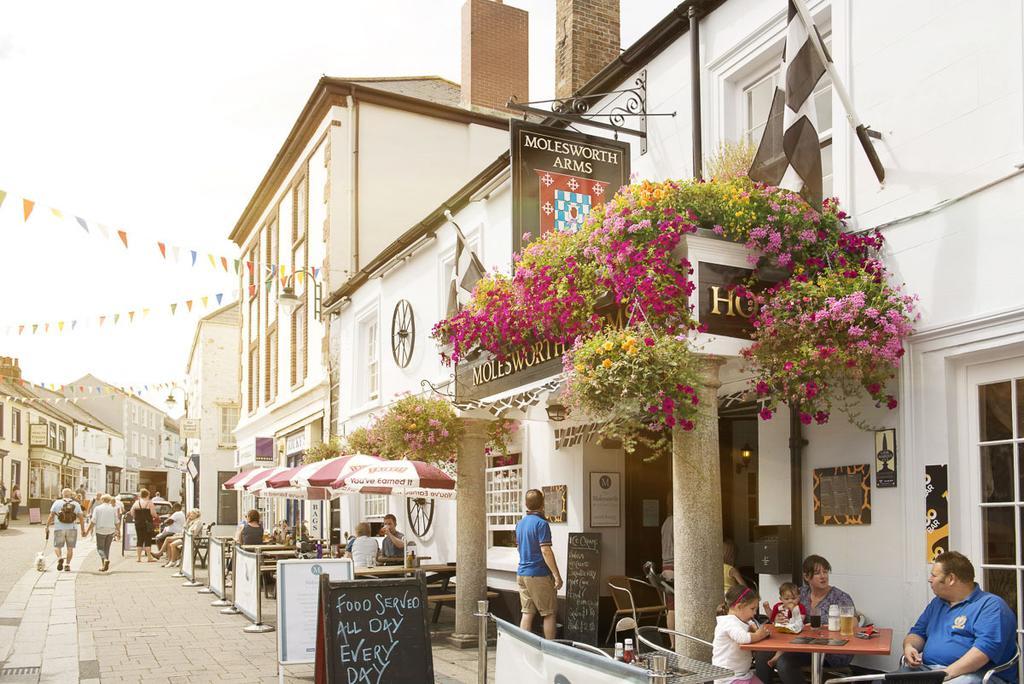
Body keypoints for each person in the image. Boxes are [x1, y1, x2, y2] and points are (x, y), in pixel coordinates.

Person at [902, 551, 1017, 684]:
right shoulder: (937, 603)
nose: (930, 579)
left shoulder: (991, 606)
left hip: (974, 674)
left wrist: (944, 675)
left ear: (951, 579)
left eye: (934, 575)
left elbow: (982, 653)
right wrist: (910, 647)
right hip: (930, 671)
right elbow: (917, 633)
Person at [754, 555, 856, 684]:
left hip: (830, 650)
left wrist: (830, 626)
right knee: (763, 654)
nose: (823, 576)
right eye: (818, 573)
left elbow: (854, 623)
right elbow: (783, 611)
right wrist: (780, 618)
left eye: (825, 572)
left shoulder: (840, 597)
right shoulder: (799, 593)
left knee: (785, 662)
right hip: (799, 645)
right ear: (807, 577)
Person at [515, 489, 562, 640]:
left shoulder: (520, 524)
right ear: (542, 504)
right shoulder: (542, 524)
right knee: (549, 613)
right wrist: (556, 575)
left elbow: (518, 547)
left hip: (522, 573)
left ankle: (524, 647)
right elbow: (546, 550)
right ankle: (551, 650)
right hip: (539, 574)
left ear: (526, 504)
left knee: (527, 612)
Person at [714, 585, 771, 684]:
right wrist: (758, 635)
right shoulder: (729, 622)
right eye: (752, 609)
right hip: (728, 677)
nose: (754, 613)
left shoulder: (740, 620)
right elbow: (743, 638)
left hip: (742, 674)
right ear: (739, 607)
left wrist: (753, 630)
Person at [761, 583, 805, 669]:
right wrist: (767, 608)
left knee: (786, 645)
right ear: (781, 599)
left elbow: (800, 620)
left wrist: (793, 610)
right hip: (779, 632)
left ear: (799, 598)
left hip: (793, 633)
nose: (790, 601)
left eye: (793, 598)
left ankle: (776, 658)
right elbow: (772, 619)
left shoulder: (799, 607)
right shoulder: (778, 607)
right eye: (787, 599)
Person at [45, 488, 87, 572]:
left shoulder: (57, 503)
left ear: (62, 494)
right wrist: (83, 530)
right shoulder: (76, 504)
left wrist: (47, 526)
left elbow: (51, 515)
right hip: (72, 528)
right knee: (70, 548)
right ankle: (67, 564)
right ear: (71, 495)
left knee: (57, 546)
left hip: (59, 528)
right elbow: (81, 518)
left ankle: (60, 558)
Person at [85, 494, 119, 572]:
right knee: (107, 548)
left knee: (100, 548)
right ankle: (104, 565)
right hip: (110, 530)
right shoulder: (112, 509)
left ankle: (105, 560)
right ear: (110, 500)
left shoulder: (97, 508)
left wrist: (87, 532)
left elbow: (93, 521)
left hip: (100, 530)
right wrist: (118, 530)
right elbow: (116, 521)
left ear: (102, 500)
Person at [130, 488, 159, 563]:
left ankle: (138, 558)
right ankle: (149, 557)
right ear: (148, 495)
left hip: (138, 523)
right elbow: (153, 513)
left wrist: (136, 518)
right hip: (147, 523)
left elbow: (132, 512)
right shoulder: (149, 503)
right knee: (147, 539)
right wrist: (156, 516)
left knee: (139, 539)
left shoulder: (137, 502)